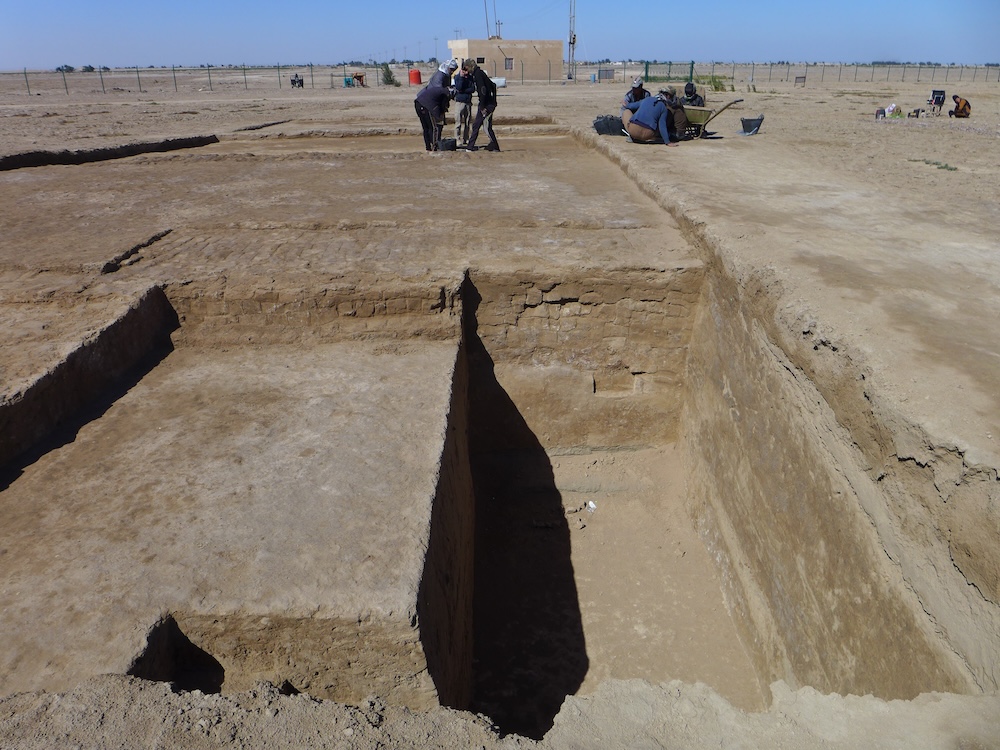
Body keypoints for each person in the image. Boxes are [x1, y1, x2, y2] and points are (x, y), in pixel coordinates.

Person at [464, 58, 500, 152]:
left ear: (469, 67)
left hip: (486, 104)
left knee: (480, 126)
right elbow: (493, 86)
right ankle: (494, 146)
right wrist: (494, 100)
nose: (466, 71)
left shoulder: (478, 75)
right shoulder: (480, 73)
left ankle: (470, 147)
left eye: (466, 68)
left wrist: (483, 106)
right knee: (484, 126)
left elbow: (483, 90)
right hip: (489, 102)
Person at [414, 82, 454, 151]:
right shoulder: (445, 93)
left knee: (426, 128)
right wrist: (439, 119)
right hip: (426, 106)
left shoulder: (440, 91)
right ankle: (434, 147)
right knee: (433, 128)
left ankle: (428, 148)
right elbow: (440, 108)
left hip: (418, 104)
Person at [453, 61, 476, 146]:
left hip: (468, 102)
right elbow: (459, 87)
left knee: (467, 122)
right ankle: (457, 139)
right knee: (458, 122)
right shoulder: (457, 77)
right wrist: (462, 77)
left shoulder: (470, 78)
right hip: (459, 102)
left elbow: (472, 89)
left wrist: (464, 91)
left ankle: (466, 138)